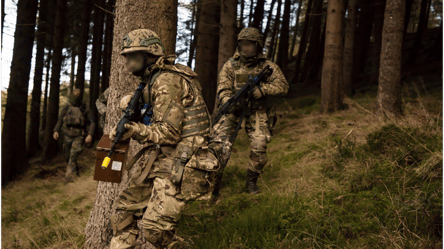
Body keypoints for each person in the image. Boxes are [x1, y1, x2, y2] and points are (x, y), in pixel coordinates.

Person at [109, 29, 216, 249]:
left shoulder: (167, 80)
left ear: (150, 54)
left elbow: (169, 132)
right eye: (126, 56)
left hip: (183, 161)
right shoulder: (151, 81)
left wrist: (136, 131)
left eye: (133, 55)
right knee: (122, 217)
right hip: (162, 158)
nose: (128, 62)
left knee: (154, 230)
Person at [212, 27, 289, 195]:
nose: (245, 48)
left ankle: (251, 182)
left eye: (249, 44)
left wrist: (263, 90)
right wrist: (227, 101)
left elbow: (283, 87)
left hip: (257, 110)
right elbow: (223, 88)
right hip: (233, 110)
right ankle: (213, 183)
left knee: (260, 145)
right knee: (218, 146)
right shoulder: (230, 65)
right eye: (242, 44)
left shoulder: (268, 66)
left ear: (257, 45)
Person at [53, 88, 95, 182]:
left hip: (79, 136)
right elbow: (60, 119)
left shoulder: (85, 107)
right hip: (67, 135)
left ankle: (69, 179)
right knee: (68, 157)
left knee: (73, 155)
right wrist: (56, 130)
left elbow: (92, 122)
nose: (76, 96)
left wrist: (90, 134)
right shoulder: (67, 107)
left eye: (78, 94)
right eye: (74, 94)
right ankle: (75, 172)